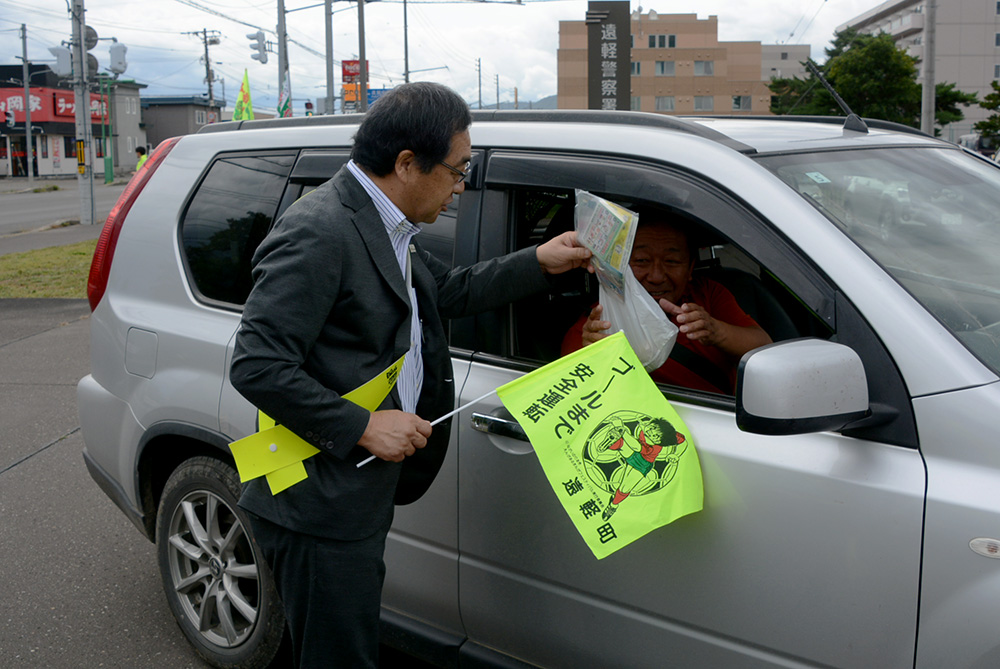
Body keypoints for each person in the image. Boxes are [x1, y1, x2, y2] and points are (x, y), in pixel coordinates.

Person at [229, 82, 591, 668]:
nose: (460, 188)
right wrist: (363, 426)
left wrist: (538, 261)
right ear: (405, 164)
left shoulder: (386, 223)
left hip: (354, 490)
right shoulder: (321, 229)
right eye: (457, 171)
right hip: (318, 500)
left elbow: (440, 292)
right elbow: (257, 364)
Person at [562, 214, 771, 394]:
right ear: (619, 266)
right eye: (642, 261)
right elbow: (573, 399)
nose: (656, 276)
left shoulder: (707, 295)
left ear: (690, 269)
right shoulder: (595, 327)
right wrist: (594, 356)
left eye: (672, 262)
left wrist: (715, 331)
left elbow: (765, 350)